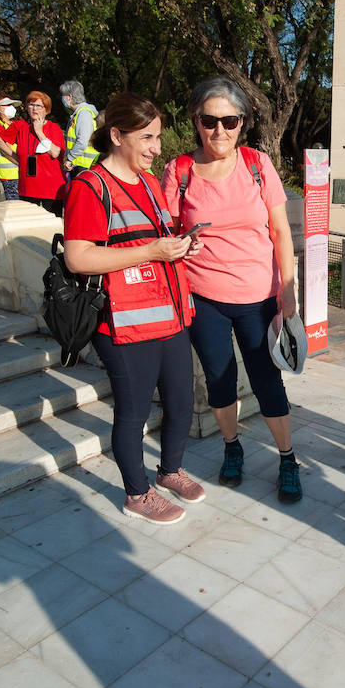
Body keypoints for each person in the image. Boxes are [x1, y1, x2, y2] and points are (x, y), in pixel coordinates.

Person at [160, 76, 303, 504]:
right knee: (219, 381)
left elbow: (280, 231)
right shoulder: (179, 171)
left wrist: (289, 289)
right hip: (204, 297)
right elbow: (166, 232)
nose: (219, 130)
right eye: (209, 120)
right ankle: (232, 448)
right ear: (196, 121)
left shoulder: (258, 165)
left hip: (258, 298)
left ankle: (288, 458)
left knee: (267, 382)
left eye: (229, 121)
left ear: (242, 122)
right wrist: (183, 242)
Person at [63, 92, 203, 524]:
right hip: (124, 325)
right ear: (116, 135)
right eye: (147, 138)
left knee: (181, 402)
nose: (156, 148)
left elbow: (154, 238)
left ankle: (169, 470)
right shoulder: (90, 187)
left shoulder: (148, 182)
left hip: (170, 314)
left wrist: (179, 246)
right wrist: (152, 252)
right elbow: (78, 258)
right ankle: (137, 495)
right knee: (133, 413)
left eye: (158, 137)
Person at [12, 90, 65, 215]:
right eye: (31, 105)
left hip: (50, 187)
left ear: (46, 109)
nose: (34, 109)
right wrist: (16, 158)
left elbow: (55, 152)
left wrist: (39, 131)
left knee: (51, 224)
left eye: (39, 106)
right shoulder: (21, 126)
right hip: (28, 187)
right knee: (28, 223)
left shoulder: (54, 128)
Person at [59, 80, 99, 181]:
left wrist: (69, 158)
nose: (62, 98)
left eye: (63, 95)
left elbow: (82, 142)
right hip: (79, 164)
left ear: (69, 97)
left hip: (84, 166)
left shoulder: (83, 114)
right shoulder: (78, 114)